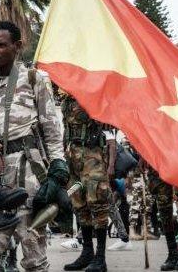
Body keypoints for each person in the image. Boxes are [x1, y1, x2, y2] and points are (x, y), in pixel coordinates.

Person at [0, 21, 67, 272]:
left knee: (34, 260)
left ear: (17, 46)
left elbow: (52, 130)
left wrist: (57, 167)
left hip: (28, 175)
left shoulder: (34, 78)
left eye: (1, 45)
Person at [59, 90, 116, 272]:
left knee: (97, 202)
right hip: (73, 158)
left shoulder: (91, 90)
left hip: (92, 157)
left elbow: (109, 123)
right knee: (79, 202)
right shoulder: (66, 96)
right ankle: (87, 252)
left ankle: (100, 257)